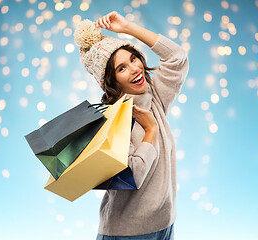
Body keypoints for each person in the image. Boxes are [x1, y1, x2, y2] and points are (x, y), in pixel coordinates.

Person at [74, 11, 189, 240]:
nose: (135, 69)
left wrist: (127, 28)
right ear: (111, 81)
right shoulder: (113, 120)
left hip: (165, 225)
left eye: (133, 59)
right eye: (121, 68)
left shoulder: (154, 95)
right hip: (129, 233)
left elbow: (177, 57)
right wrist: (151, 131)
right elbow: (131, 177)